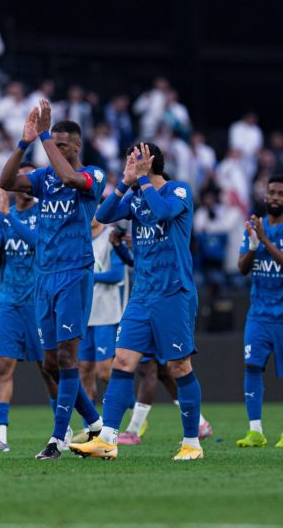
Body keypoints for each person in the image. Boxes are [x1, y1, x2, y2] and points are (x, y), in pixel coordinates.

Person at [70, 143, 203, 461]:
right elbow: (102, 215)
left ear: (151, 161)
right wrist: (124, 184)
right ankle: (107, 439)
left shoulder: (178, 190)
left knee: (179, 366)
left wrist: (142, 180)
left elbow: (163, 212)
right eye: (128, 158)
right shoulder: (136, 196)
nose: (129, 162)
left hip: (173, 292)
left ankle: (192, 444)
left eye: (135, 158)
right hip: (142, 295)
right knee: (122, 362)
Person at [0, 100, 106, 460]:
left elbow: (70, 178)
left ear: (77, 145)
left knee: (66, 355)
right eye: (53, 144)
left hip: (74, 274)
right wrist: (24, 142)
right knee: (49, 364)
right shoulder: (43, 179)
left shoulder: (93, 175)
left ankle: (58, 439)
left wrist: (44, 136)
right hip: (43, 277)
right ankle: (96, 423)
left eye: (62, 145)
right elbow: (6, 182)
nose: (54, 150)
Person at [0, 169, 60, 452]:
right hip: (9, 300)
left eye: (31, 179)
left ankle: (63, 428)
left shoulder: (45, 212)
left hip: (38, 301)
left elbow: (37, 243)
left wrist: (6, 215)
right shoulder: (3, 215)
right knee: (2, 365)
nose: (25, 184)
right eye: (21, 180)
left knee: (48, 368)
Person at [108, 230, 212, 446]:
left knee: (156, 368)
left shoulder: (170, 229)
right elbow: (137, 262)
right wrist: (121, 246)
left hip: (167, 302)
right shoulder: (145, 233)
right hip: (145, 301)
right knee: (163, 371)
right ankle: (200, 423)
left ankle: (134, 430)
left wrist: (139, 241)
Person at [236, 174, 283, 449]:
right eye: (272, 193)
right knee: (252, 365)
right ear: (265, 196)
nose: (275, 197)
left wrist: (265, 240)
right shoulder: (254, 227)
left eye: (282, 194)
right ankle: (255, 431)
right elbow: (242, 268)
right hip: (259, 314)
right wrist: (253, 246)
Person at [71, 212, 126, 443]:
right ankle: (91, 426)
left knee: (104, 371)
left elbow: (117, 274)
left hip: (106, 313)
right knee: (84, 370)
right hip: (85, 314)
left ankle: (126, 404)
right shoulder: (79, 237)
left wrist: (88, 276)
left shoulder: (111, 236)